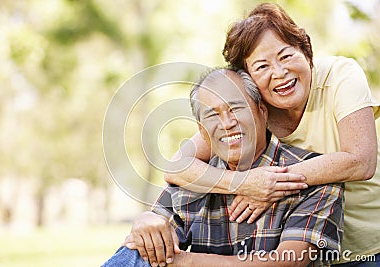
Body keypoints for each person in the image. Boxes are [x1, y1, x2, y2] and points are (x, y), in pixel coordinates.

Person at [164, 3, 380, 266]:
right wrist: (243, 183)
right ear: (249, 80)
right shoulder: (253, 112)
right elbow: (177, 166)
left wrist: (268, 185)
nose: (279, 73)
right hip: (302, 244)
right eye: (262, 66)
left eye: (286, 56)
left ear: (306, 51)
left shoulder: (341, 76)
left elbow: (361, 160)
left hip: (368, 246)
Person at [101, 68, 344, 267]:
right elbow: (152, 241)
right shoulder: (194, 178)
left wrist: (188, 262)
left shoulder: (312, 175)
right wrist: (147, 223)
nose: (227, 123)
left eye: (236, 109)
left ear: (261, 112)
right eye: (212, 115)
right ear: (201, 131)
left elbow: (288, 262)